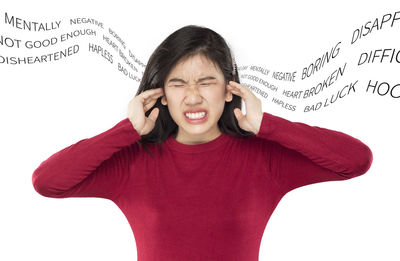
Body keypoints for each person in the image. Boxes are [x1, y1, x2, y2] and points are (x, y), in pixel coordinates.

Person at [32, 25, 373, 261]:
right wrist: (128, 130)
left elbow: (356, 160)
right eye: (178, 84)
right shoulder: (134, 162)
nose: (193, 97)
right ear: (161, 94)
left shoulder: (264, 161)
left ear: (229, 90)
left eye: (207, 81)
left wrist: (267, 125)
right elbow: (47, 182)